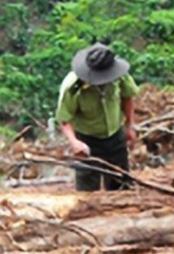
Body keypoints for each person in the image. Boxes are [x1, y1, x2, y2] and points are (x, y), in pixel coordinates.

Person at [56, 43, 139, 191]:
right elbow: (64, 119)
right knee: (87, 191)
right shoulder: (73, 87)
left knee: (121, 186)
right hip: (87, 140)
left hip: (115, 136)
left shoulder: (120, 77)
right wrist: (74, 142)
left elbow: (127, 98)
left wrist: (130, 124)